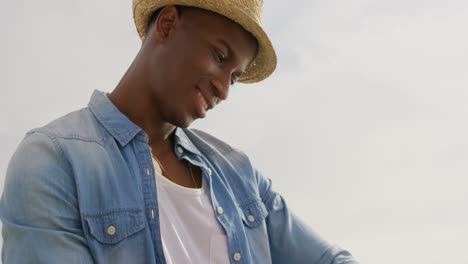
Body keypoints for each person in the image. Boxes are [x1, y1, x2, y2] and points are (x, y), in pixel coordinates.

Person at [0, 0, 359, 263]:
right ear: (168, 24)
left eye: (235, 76)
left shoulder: (239, 175)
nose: (224, 89)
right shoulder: (53, 161)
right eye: (220, 56)